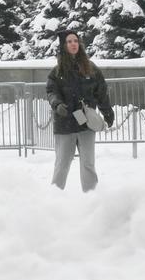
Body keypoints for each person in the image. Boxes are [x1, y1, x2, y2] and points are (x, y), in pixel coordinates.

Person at [46, 31, 114, 192]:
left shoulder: (91, 68)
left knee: (88, 164)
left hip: (86, 124)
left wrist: (108, 112)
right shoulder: (57, 72)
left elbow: (101, 92)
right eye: (69, 41)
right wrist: (58, 105)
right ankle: (54, 197)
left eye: (75, 40)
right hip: (65, 124)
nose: (73, 44)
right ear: (63, 46)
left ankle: (91, 196)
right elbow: (51, 92)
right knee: (62, 163)